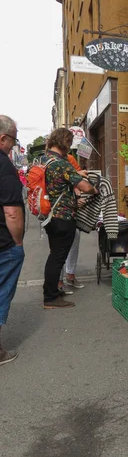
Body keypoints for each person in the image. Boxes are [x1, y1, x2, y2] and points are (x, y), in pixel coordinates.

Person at [43, 128, 98, 309]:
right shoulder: (61, 163)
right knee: (57, 258)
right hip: (63, 216)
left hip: (50, 216)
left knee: (54, 255)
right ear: (64, 143)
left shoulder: (46, 161)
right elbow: (84, 186)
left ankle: (52, 292)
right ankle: (50, 298)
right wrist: (93, 189)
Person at [0, 115, 25, 364]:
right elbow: (12, 211)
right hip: (3, 244)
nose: (13, 146)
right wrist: (17, 243)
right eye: (13, 141)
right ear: (2, 138)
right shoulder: (4, 166)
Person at [57, 154, 87, 294]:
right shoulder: (53, 162)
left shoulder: (69, 158)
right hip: (59, 213)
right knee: (59, 249)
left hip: (71, 212)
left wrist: (78, 196)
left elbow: (78, 181)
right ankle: (59, 281)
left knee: (74, 242)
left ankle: (70, 276)